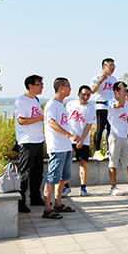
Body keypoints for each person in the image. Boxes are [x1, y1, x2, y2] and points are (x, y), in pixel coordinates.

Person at [42, 78, 80, 219]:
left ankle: (58, 203)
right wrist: (69, 135)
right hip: (57, 147)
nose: (70, 89)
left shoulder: (61, 105)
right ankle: (47, 208)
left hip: (66, 147)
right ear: (61, 87)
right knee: (52, 178)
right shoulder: (51, 104)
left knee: (63, 178)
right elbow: (51, 122)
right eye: (68, 86)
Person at [15, 75, 46, 213]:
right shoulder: (21, 101)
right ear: (30, 86)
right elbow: (21, 120)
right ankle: (20, 201)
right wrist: (40, 118)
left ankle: (35, 197)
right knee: (25, 172)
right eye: (39, 84)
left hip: (38, 140)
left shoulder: (37, 100)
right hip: (27, 141)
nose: (42, 86)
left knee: (38, 171)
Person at [65, 85, 96, 196]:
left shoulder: (90, 108)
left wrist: (81, 140)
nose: (86, 97)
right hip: (69, 138)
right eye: (84, 94)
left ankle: (83, 187)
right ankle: (66, 186)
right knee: (67, 162)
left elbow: (88, 125)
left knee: (83, 162)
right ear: (78, 94)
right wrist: (68, 136)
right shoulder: (70, 105)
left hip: (83, 140)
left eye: (88, 95)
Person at [108, 82, 128, 195]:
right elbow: (119, 104)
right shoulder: (112, 101)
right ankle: (113, 187)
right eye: (123, 91)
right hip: (115, 135)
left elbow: (125, 117)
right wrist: (121, 90)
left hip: (124, 136)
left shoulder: (127, 105)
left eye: (126, 91)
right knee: (113, 163)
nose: (125, 94)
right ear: (116, 92)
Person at [90, 58, 117, 161]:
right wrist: (100, 81)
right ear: (104, 66)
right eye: (111, 65)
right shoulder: (96, 77)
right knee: (100, 128)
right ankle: (97, 151)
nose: (113, 68)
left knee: (111, 129)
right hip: (101, 106)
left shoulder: (114, 79)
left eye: (114, 66)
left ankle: (109, 150)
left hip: (112, 107)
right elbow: (92, 90)